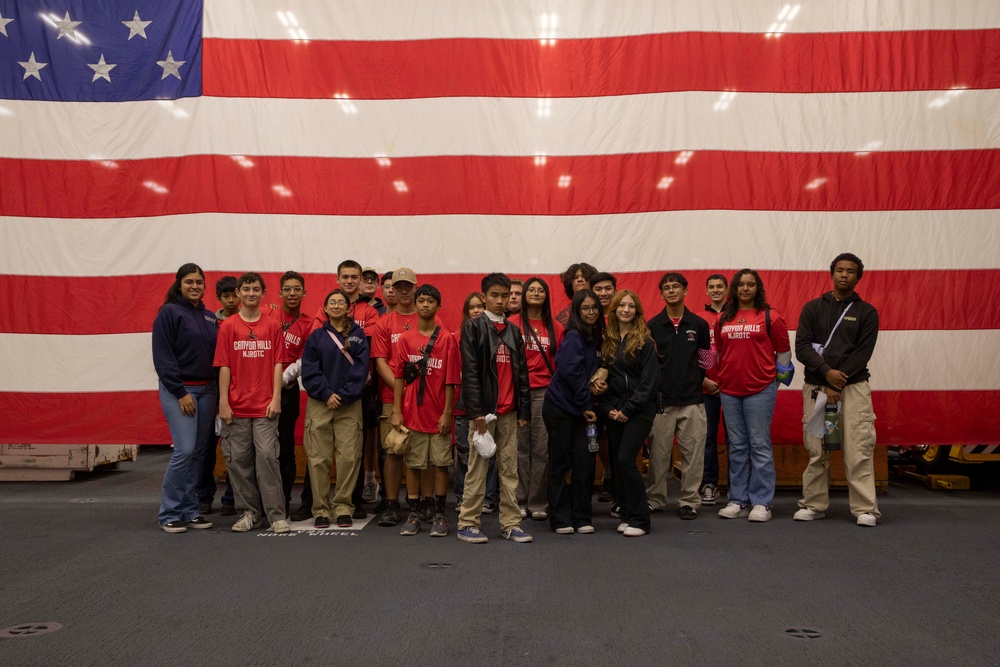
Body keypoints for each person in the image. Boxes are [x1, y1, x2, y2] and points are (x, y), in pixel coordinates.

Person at [794, 253, 880, 527]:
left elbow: (863, 353)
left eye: (850, 271)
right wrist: (826, 375)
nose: (844, 275)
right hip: (817, 386)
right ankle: (814, 504)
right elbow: (802, 348)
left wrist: (836, 382)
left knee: (858, 447)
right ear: (832, 273)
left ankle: (865, 509)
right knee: (818, 449)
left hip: (852, 387)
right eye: (840, 270)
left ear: (858, 277)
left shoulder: (867, 312)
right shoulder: (812, 308)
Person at [456, 273, 532, 544]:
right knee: (477, 468)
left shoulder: (513, 331)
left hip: (509, 413)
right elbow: (471, 372)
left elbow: (522, 374)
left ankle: (511, 524)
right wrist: (476, 411)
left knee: (509, 470)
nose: (501, 301)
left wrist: (523, 412)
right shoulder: (473, 327)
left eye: (506, 295)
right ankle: (467, 522)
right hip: (483, 414)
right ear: (484, 296)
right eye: (495, 296)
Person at [214, 272, 290, 533]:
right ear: (238, 292)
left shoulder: (272, 326)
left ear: (263, 292)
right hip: (236, 407)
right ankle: (249, 512)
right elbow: (223, 366)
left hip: (265, 407)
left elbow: (278, 363)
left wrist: (276, 398)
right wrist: (223, 402)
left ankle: (276, 515)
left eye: (255, 289)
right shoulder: (228, 326)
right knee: (239, 462)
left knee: (268, 457)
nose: (250, 293)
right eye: (246, 289)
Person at [714, 269, 791, 523]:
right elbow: (721, 352)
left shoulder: (771, 316)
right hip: (729, 391)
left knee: (759, 445)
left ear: (758, 289)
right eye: (741, 285)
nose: (745, 289)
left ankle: (762, 502)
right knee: (736, 447)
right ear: (734, 289)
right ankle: (738, 499)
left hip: (761, 389)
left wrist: (774, 385)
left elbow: (783, 354)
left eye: (750, 285)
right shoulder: (724, 318)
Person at [153, 263, 219, 533]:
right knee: (185, 450)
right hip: (181, 391)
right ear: (179, 284)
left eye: (199, 282)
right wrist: (180, 392)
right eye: (189, 282)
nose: (195, 286)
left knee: (199, 453)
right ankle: (169, 512)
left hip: (208, 391)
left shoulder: (209, 317)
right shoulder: (169, 313)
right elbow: (163, 356)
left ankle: (190, 511)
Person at [391, 285, 460, 537]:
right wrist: (397, 410)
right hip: (412, 413)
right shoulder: (405, 339)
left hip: (437, 414)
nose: (426, 305)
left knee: (441, 464)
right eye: (422, 300)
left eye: (431, 301)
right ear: (415, 305)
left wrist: (447, 412)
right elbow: (399, 377)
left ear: (438, 306)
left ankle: (440, 514)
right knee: (414, 464)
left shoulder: (447, 339)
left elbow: (452, 379)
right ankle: (414, 511)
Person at [645, 273, 713, 520]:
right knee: (658, 454)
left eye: (676, 287)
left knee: (693, 455)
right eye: (666, 287)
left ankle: (689, 501)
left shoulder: (699, 325)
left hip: (692, 400)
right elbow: (648, 364)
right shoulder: (651, 326)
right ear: (661, 294)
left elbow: (706, 360)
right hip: (662, 402)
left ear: (685, 291)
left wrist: (697, 380)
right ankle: (655, 499)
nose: (671, 290)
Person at [300, 289, 369, 528]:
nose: (337, 305)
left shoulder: (359, 336)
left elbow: (361, 371)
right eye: (332, 302)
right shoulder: (316, 337)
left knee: (349, 457)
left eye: (342, 302)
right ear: (326, 309)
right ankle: (320, 508)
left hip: (349, 404)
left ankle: (343, 507)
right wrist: (326, 393)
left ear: (349, 308)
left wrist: (344, 394)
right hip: (320, 403)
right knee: (318, 458)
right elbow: (309, 370)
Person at [543, 289, 604, 535]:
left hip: (583, 411)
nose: (591, 312)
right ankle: (560, 518)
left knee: (584, 464)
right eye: (585, 308)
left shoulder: (597, 337)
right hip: (561, 408)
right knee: (560, 463)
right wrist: (586, 406)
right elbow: (571, 373)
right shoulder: (574, 336)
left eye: (594, 308)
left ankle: (582, 516)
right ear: (577, 312)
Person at [600, 290, 659, 537]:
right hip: (614, 412)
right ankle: (625, 514)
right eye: (622, 305)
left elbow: (649, 382)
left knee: (626, 460)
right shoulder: (608, 340)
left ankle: (640, 519)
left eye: (631, 306)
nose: (626, 309)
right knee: (616, 463)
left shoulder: (645, 341)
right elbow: (605, 379)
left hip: (640, 411)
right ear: (614, 310)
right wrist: (610, 409)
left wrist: (628, 409)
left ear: (637, 311)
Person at [509, 277, 564, 520]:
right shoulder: (511, 324)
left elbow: (561, 364)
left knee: (542, 449)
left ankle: (538, 502)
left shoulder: (556, 327)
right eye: (531, 289)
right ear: (523, 295)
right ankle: (519, 500)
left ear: (546, 296)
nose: (535, 293)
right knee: (519, 449)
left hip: (544, 391)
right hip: (517, 391)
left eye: (540, 290)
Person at [371, 268, 421, 527]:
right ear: (391, 289)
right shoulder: (384, 323)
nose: (403, 291)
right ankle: (391, 505)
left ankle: (419, 502)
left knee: (420, 450)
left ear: (415, 288)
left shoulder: (430, 318)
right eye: (398, 286)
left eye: (407, 286)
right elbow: (380, 363)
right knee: (392, 450)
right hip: (392, 397)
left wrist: (415, 391)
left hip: (424, 398)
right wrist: (402, 390)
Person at [268, 271, 313, 518]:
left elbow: (303, 359)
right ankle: (263, 501)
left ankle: (283, 502)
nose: (292, 293)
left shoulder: (308, 323)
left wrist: (280, 380)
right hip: (259, 390)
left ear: (304, 292)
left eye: (297, 289)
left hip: (287, 390)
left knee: (285, 448)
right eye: (287, 289)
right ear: (280, 292)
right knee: (262, 449)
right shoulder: (267, 314)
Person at [453, 292, 499, 513]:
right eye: (471, 307)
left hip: (489, 402)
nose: (476, 311)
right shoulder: (456, 335)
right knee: (464, 452)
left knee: (489, 451)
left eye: (480, 306)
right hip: (463, 402)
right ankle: (463, 496)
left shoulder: (497, 335)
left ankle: (489, 497)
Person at [197, 275, 238, 516]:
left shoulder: (249, 322)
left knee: (236, 449)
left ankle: (232, 498)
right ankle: (203, 496)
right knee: (206, 447)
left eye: (235, 295)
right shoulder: (209, 322)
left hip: (239, 393)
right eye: (227, 296)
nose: (232, 300)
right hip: (211, 391)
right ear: (219, 298)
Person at [588, 270, 618, 504]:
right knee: (591, 436)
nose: (604, 293)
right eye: (598, 289)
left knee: (613, 438)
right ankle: (587, 483)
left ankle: (611, 478)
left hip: (618, 387)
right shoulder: (588, 317)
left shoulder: (622, 314)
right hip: (590, 387)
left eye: (608, 288)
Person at [700, 273, 728, 506]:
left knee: (736, 439)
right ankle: (709, 483)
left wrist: (728, 381)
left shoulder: (736, 315)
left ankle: (738, 485)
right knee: (707, 438)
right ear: (706, 291)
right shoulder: (699, 318)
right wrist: (705, 380)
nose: (716, 290)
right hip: (707, 388)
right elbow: (698, 353)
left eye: (720, 286)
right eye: (712, 287)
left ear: (727, 290)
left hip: (733, 388)